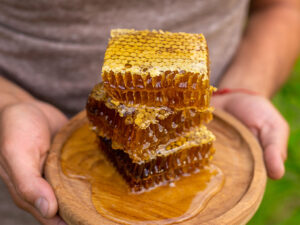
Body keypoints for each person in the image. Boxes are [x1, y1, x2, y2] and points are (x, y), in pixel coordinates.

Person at [0, 0, 299, 224]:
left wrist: (247, 86)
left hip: (216, 129)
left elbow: (283, 8)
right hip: (27, 159)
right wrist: (8, 103)